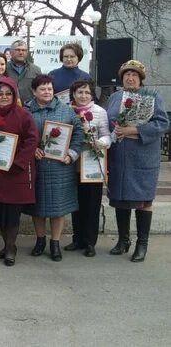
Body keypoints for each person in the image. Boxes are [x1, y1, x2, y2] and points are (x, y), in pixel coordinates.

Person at [107, 60, 169, 262]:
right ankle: (123, 240)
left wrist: (134, 130)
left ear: (140, 78)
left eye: (134, 74)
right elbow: (108, 121)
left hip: (142, 157)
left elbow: (162, 123)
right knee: (120, 199)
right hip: (119, 156)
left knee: (143, 201)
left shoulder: (152, 97)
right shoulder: (115, 97)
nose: (130, 78)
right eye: (126, 74)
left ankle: (142, 244)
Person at [25, 75, 83, 261]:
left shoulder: (66, 110)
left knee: (58, 207)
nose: (47, 92)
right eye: (42, 89)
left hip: (60, 167)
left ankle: (55, 243)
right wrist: (31, 149)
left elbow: (79, 133)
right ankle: (40, 240)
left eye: (50, 88)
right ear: (34, 91)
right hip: (36, 166)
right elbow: (20, 134)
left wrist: (72, 154)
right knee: (37, 207)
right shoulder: (26, 111)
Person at [0, 78, 39, 266]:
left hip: (16, 171)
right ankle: (7, 245)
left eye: (8, 94)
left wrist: (19, 162)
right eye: (0, 94)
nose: (4, 97)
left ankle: (10, 248)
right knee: (0, 212)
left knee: (13, 212)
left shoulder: (24, 115)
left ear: (14, 96)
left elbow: (32, 141)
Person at [64, 79, 111, 257]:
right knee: (76, 203)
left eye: (87, 93)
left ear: (92, 95)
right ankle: (77, 239)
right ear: (73, 94)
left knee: (92, 203)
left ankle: (90, 242)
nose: (83, 96)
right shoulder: (67, 111)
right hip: (72, 163)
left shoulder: (99, 112)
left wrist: (100, 143)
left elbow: (107, 135)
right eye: (79, 92)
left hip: (92, 163)